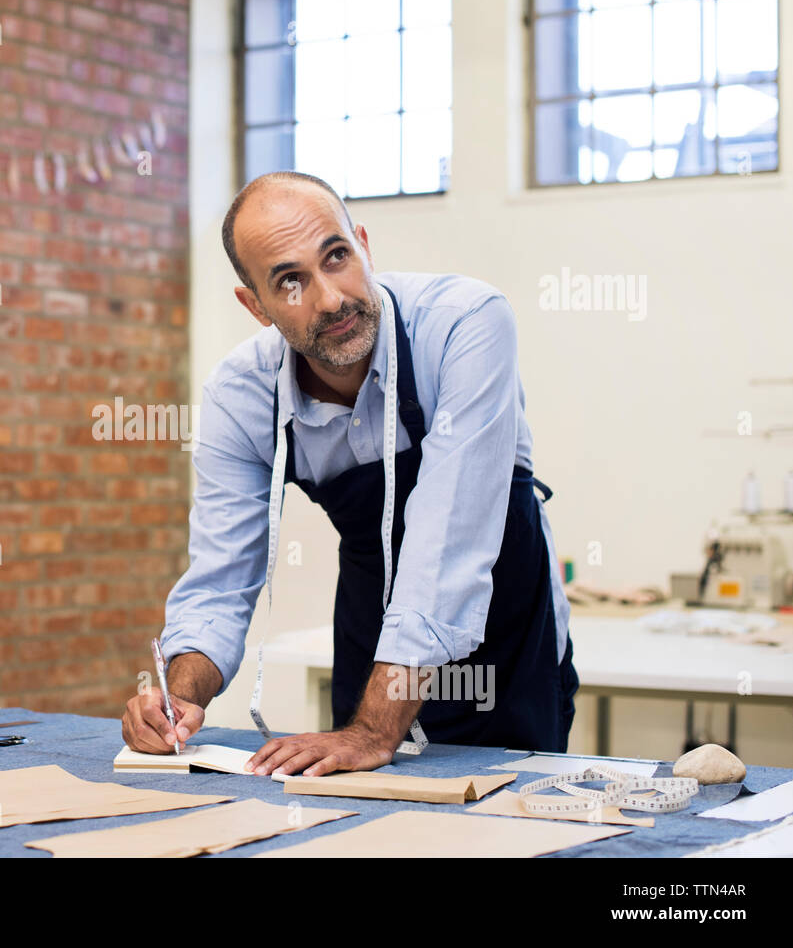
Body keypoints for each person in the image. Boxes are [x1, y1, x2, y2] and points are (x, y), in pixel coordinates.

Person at [121, 171, 578, 776]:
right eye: (290, 281)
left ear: (364, 244)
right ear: (255, 306)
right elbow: (219, 580)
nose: (331, 299)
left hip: (506, 642)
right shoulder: (241, 395)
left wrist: (371, 730)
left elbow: (447, 546)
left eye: (337, 257)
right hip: (373, 645)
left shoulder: (465, 324)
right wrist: (179, 699)